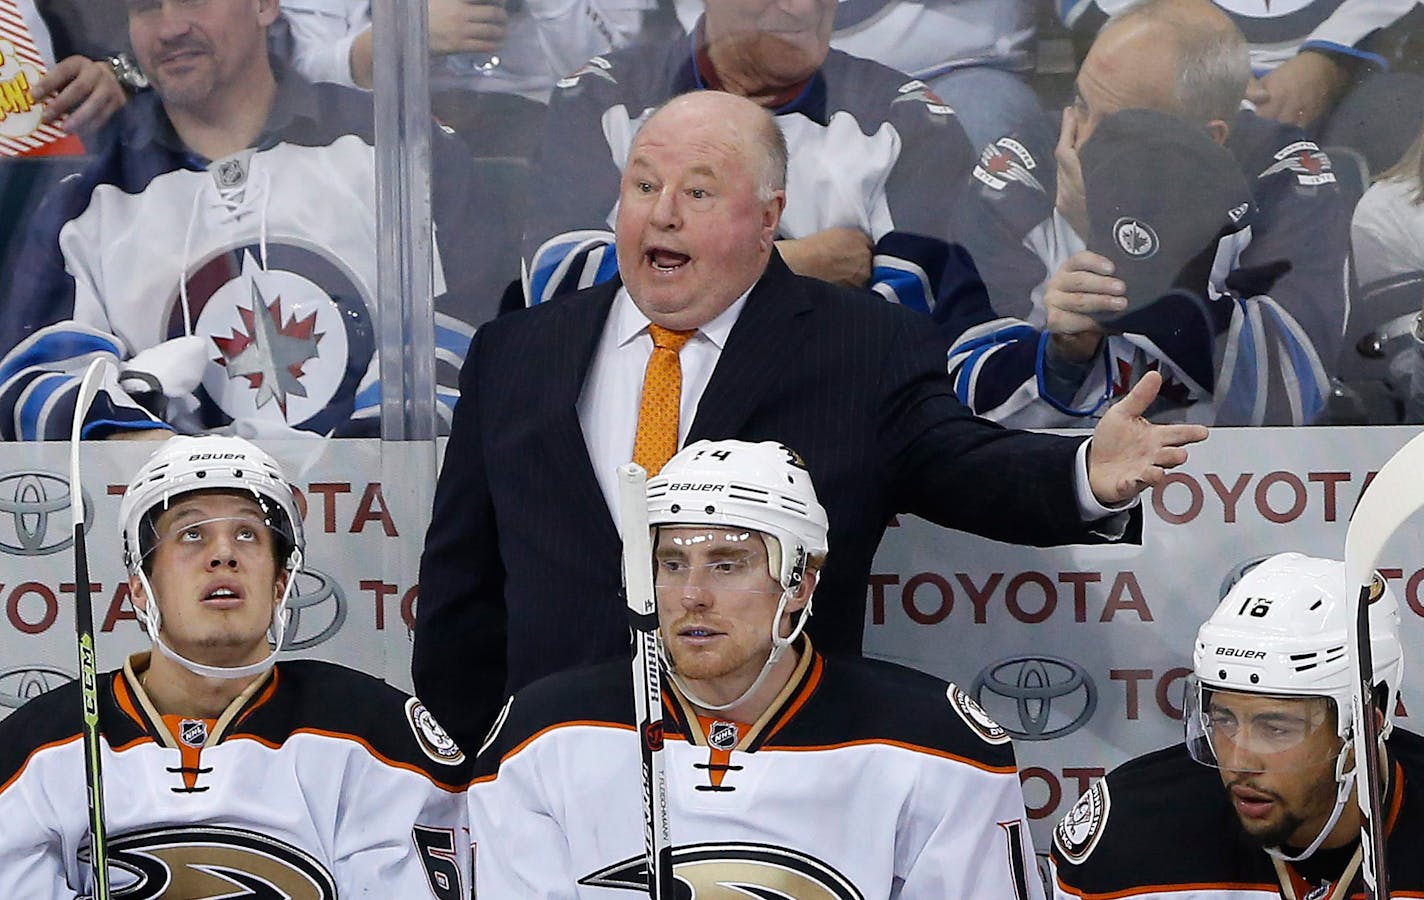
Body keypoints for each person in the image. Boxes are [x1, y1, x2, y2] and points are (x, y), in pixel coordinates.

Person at [415, 89, 1209, 753]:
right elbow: (462, 594)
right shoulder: (516, 351)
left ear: (769, 218)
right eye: (642, 186)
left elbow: (961, 465)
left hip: (782, 771)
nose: (661, 216)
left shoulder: (860, 344)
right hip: (552, 771)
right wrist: (471, 769)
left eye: (698, 193)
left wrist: (1081, 475)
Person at [469, 439, 1044, 898]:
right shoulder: (541, 733)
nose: (692, 595)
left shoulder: (932, 741)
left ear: (801, 583)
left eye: (727, 564)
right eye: (670, 563)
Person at [0, 0, 514, 441]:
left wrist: (364, 470)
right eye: (146, 5)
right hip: (181, 543)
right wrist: (143, 451)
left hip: (389, 526)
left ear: (266, 4)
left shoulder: (399, 147)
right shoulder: (85, 205)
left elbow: (478, 326)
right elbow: (36, 377)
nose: (170, 26)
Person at [0, 435, 472, 896]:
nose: (223, 555)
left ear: (280, 581)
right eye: (191, 534)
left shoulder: (373, 734)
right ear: (140, 586)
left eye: (247, 534)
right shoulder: (35, 750)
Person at [947, 0, 1351, 427]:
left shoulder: (1281, 178)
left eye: (1117, 129)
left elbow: (1291, 399)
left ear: (1210, 137)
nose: (1079, 142)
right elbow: (965, 398)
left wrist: (1125, 245)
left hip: (1234, 480)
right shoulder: (1022, 171)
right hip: (1060, 476)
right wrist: (1061, 359)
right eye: (1081, 104)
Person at [519, 0, 979, 312]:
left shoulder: (906, 122)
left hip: (821, 408)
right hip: (635, 407)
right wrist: (786, 267)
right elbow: (559, 284)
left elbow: (916, 324)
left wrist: (675, 273)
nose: (802, 8)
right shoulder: (603, 99)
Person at [1050, 552, 1424, 900]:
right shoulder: (1130, 830)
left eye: (1275, 728)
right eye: (1224, 720)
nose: (1238, 760)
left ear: (1365, 726)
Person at [1059, 0, 1424, 173]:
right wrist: (1198, 50)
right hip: (1171, 61)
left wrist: (1330, 59)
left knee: (1401, 112)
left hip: (1352, 76)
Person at [280, 0, 669, 158]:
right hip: (377, 146)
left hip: (548, 141)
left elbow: (621, 79)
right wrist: (395, 38)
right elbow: (293, 81)